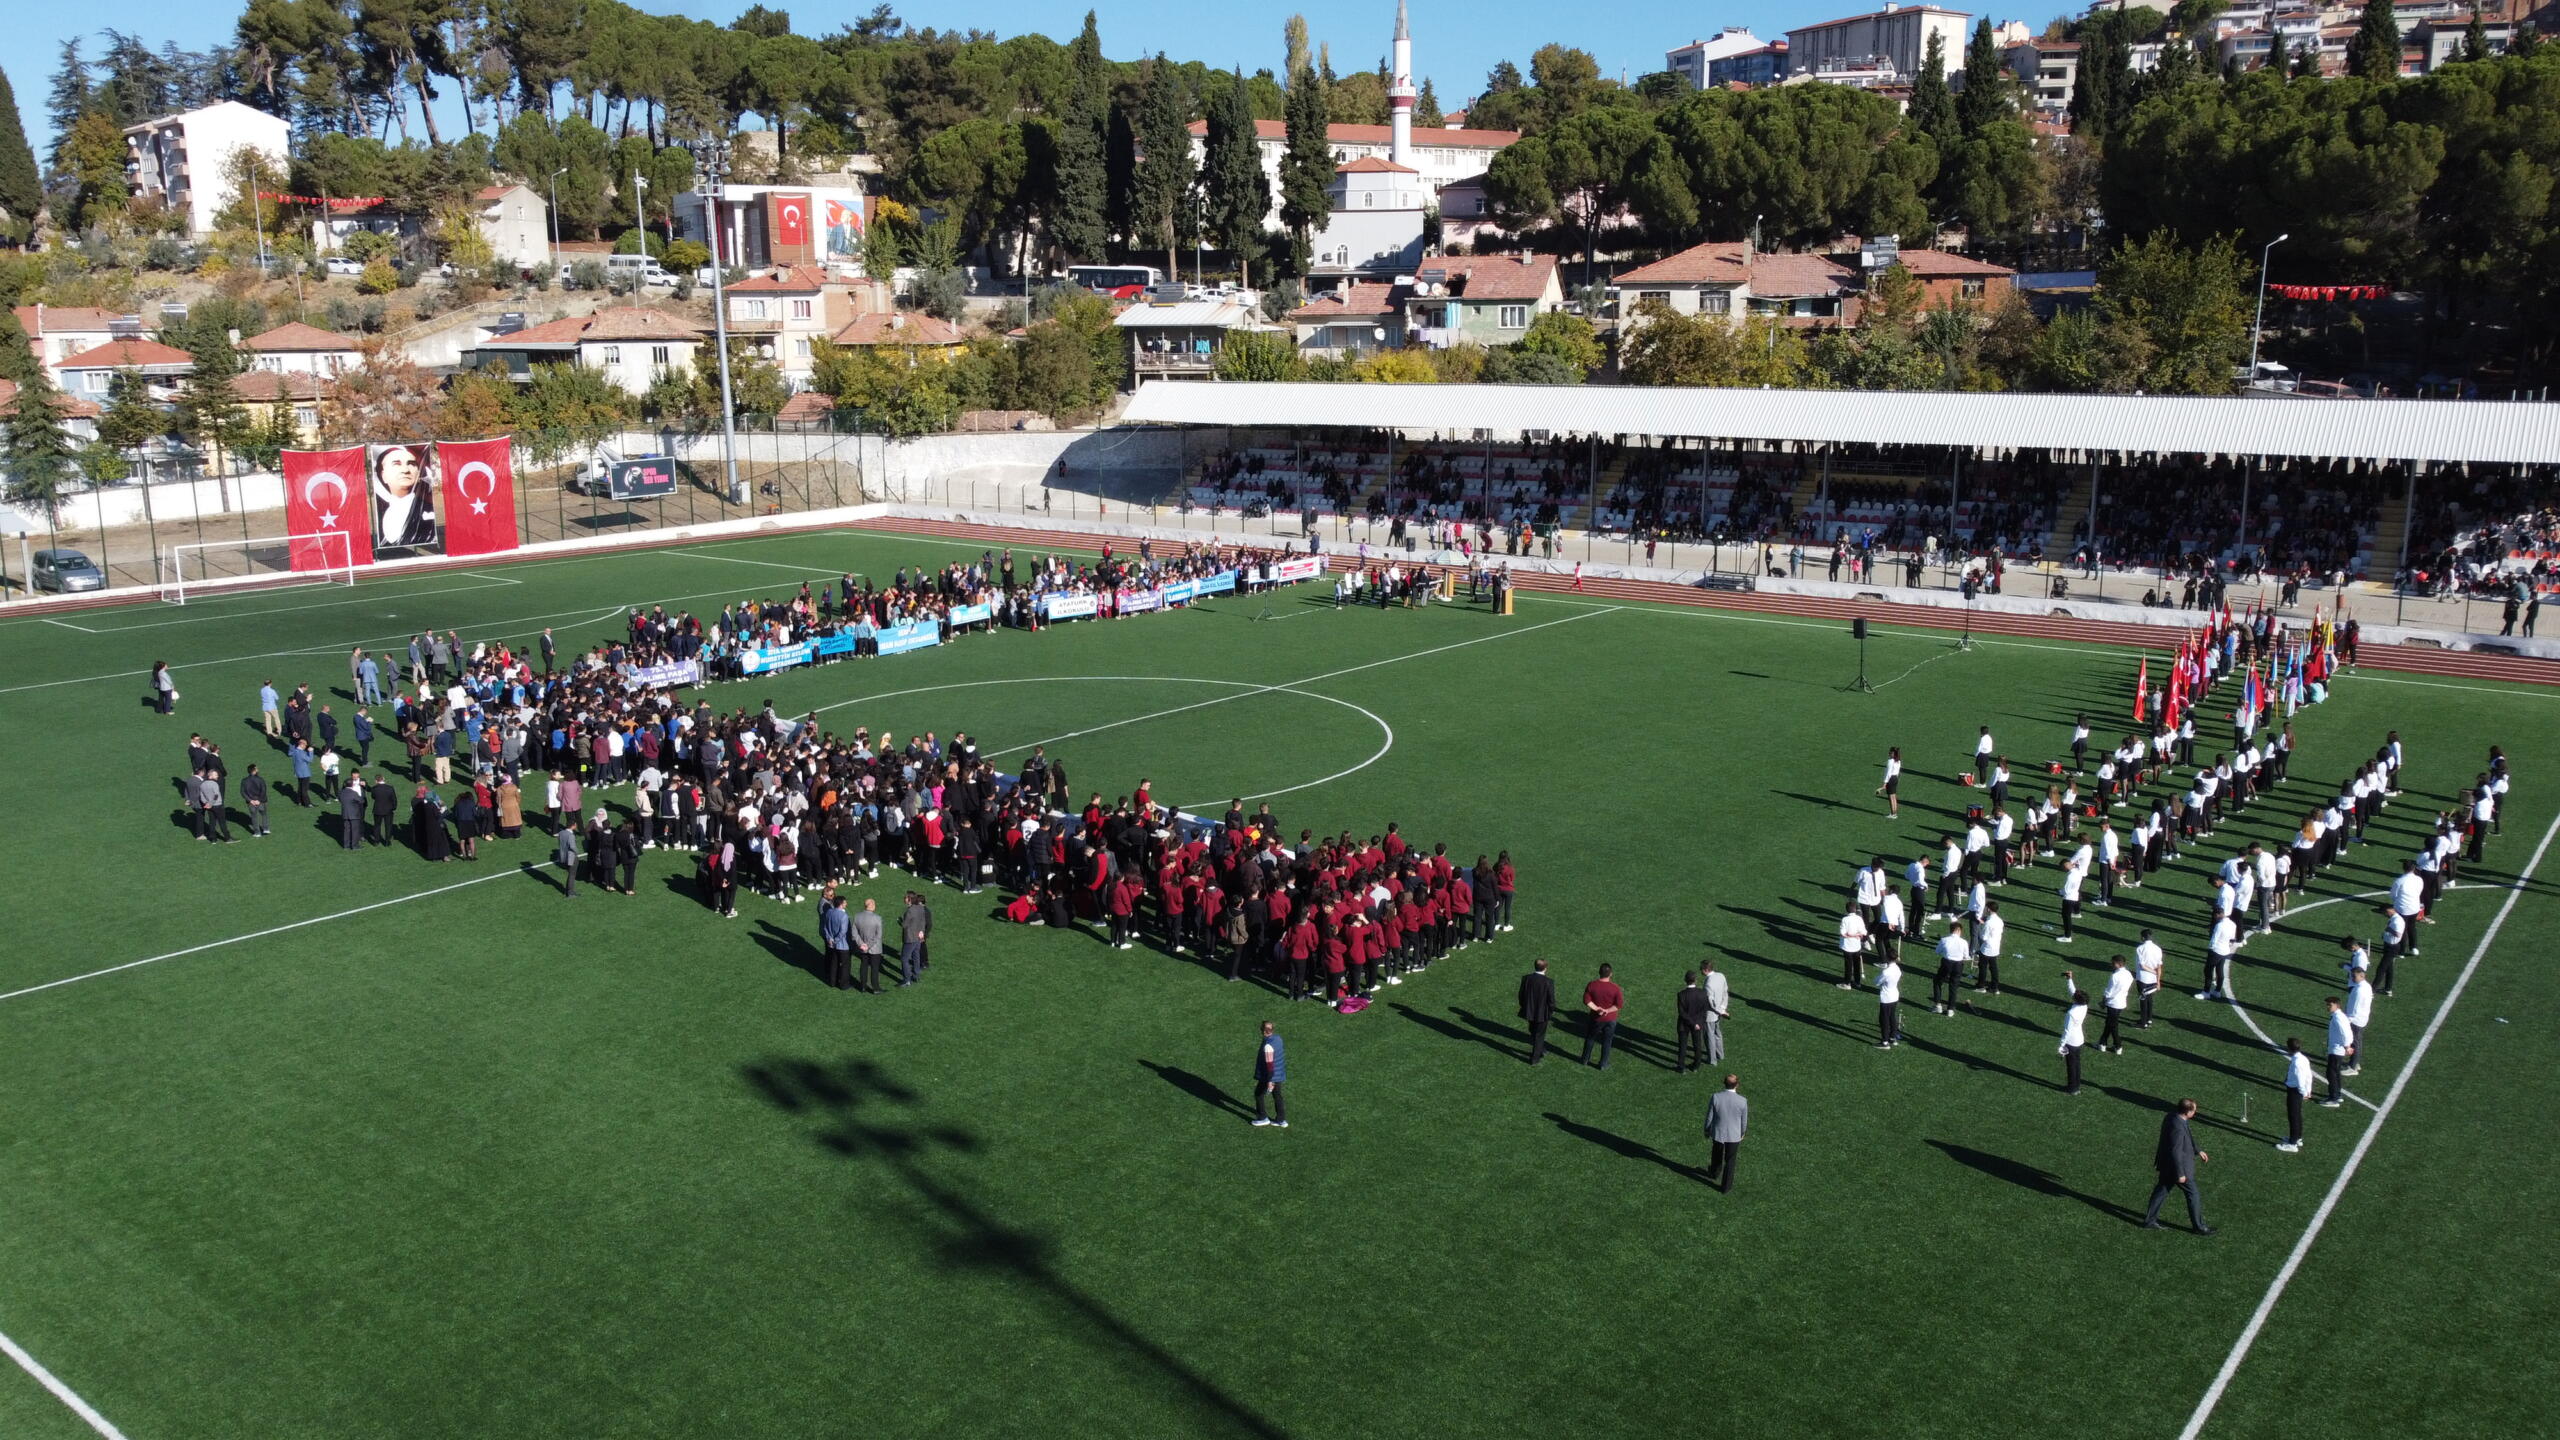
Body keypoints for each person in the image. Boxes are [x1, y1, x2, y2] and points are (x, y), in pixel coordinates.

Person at [2141, 1098, 2214, 1233]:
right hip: (2177, 1167)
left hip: (2167, 1165)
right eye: (2194, 1110)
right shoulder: (2178, 1127)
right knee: (2193, 1194)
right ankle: (2199, 1227)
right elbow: (2176, 1151)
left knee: (2161, 1190)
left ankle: (2149, 1220)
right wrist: (2180, 1174)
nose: (2195, 1112)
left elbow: (2188, 1136)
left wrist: (2198, 1150)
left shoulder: (2173, 1117)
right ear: (2187, 1112)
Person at [1703, 1074, 1748, 1194]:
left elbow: (1709, 1117)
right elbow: (1744, 1121)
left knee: (1716, 1154)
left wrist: (1707, 1130)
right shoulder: (1742, 1101)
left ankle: (1714, 1173)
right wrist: (1742, 1133)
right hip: (1734, 1135)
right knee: (1730, 1160)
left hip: (1718, 1133)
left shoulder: (1716, 1097)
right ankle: (1726, 1187)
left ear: (1724, 1083)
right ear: (1737, 1085)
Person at [1579, 963, 1623, 1069]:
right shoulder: (1615, 988)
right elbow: (1619, 1005)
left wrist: (1597, 1009)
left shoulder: (1592, 985)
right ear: (1611, 974)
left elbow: (1586, 1001)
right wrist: (1607, 1011)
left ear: (1599, 972)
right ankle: (1603, 1064)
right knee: (1607, 1041)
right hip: (1610, 1019)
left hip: (1596, 1018)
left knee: (1590, 1038)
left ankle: (1585, 1059)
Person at [1518, 958, 1557, 1065]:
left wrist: (1524, 1007)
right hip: (1542, 1014)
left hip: (1529, 1012)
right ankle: (1535, 1058)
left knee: (1533, 1030)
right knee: (1539, 1035)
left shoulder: (1526, 978)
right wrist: (1550, 1012)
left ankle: (1541, 1049)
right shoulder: (1548, 982)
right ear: (1545, 968)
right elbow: (1551, 1001)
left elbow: (1521, 995)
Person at [2279, 1037, 2313, 1153]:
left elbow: (2300, 1079)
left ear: (2289, 1048)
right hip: (2299, 1090)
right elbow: (2309, 1075)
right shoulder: (2303, 1059)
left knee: (2293, 1116)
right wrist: (2308, 1090)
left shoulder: (2296, 1062)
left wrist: (2304, 1092)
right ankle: (2297, 1137)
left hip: (2295, 1091)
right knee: (2297, 1115)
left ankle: (2292, 1143)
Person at [1251, 1021, 1288, 1128]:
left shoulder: (1268, 1046)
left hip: (1268, 1075)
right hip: (1279, 1073)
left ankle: (1262, 1117)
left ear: (1262, 1031)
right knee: (1277, 1096)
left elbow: (1270, 1065)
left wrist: (1270, 1081)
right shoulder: (1278, 1038)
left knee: (1258, 1094)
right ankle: (1281, 1120)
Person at [1675, 972, 1711, 1073]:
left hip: (1684, 1024)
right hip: (1698, 1024)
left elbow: (1682, 1013)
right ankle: (1696, 1065)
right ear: (1695, 980)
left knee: (1682, 1045)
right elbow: (1705, 1010)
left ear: (1685, 980)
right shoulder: (1703, 993)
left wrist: (1692, 1023)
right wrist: (1698, 1023)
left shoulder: (1681, 994)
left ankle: (1681, 1067)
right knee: (1697, 1045)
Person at [852, 897, 887, 994]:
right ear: (872, 906)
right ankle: (875, 988)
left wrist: (862, 944)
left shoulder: (857, 916)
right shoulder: (877, 918)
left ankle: (862, 987)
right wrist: (868, 945)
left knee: (863, 965)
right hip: (874, 948)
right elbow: (878, 936)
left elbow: (854, 933)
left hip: (862, 947)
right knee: (874, 968)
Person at [2321, 996, 2352, 1106]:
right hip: (2337, 1049)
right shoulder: (2340, 1016)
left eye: (2330, 1005)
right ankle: (2337, 1095)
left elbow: (2344, 1032)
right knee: (2336, 1073)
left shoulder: (2338, 1017)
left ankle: (2333, 1098)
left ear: (2336, 1005)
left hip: (2336, 1050)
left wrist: (2347, 1046)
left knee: (2331, 1074)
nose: (2328, 1007)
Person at [2100, 955, 2133, 1055]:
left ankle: (2118, 1046)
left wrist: (2103, 1001)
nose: (2112, 965)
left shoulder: (2115, 976)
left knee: (2112, 1026)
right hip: (2121, 1002)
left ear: (2118, 964)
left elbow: (2109, 992)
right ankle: (2102, 1043)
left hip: (2113, 1003)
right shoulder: (2129, 974)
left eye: (2113, 963)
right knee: (2109, 1023)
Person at [2060, 985, 2089, 1094]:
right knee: (2076, 1063)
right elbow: (2074, 993)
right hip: (2079, 1040)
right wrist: (2069, 980)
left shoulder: (2071, 1013)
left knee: (2071, 1065)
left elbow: (2067, 1031)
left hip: (2071, 1042)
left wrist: (2061, 1045)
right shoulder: (2084, 1006)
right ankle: (2076, 1085)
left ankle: (2072, 1088)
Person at [820, 895, 853, 990]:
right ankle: (844, 984)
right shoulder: (844, 916)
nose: (846, 904)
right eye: (845, 902)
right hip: (842, 946)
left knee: (834, 964)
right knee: (845, 966)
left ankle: (832, 982)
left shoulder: (829, 912)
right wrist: (836, 941)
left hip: (831, 945)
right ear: (841, 904)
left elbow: (825, 927)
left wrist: (830, 939)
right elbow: (843, 931)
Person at [899, 891, 932, 987]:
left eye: (905, 897)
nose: (904, 898)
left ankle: (906, 979)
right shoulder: (920, 908)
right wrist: (921, 932)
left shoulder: (909, 911)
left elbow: (905, 925)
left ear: (909, 899)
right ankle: (916, 975)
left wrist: (900, 922)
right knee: (916, 955)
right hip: (918, 937)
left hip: (910, 938)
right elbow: (923, 922)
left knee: (904, 958)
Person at [1701, 960, 1730, 1064]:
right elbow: (1725, 993)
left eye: (1701, 969)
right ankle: (1720, 1054)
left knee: (1709, 1037)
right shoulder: (1721, 976)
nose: (1700, 971)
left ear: (1706, 970)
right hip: (1720, 1012)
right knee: (1718, 1033)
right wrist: (1723, 1009)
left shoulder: (1708, 984)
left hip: (1710, 1015)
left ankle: (1712, 1060)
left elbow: (1711, 1003)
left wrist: (1719, 1011)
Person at [1872, 951, 1903, 1050]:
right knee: (1892, 1017)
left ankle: (1885, 1042)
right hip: (1895, 995)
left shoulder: (1886, 971)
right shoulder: (1897, 969)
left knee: (1884, 1019)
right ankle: (1892, 1038)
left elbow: (1877, 982)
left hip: (1886, 997)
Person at [241, 764, 270, 838]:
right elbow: (263, 791)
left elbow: (243, 792)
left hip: (251, 802)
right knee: (264, 814)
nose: (258, 770)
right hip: (261, 801)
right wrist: (259, 800)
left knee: (254, 817)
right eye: (256, 769)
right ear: (254, 770)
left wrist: (250, 800)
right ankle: (266, 829)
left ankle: (257, 833)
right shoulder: (260, 779)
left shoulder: (244, 781)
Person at [555, 823, 582, 896]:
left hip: (563, 856)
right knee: (572, 875)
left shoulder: (561, 832)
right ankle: (570, 892)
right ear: (572, 825)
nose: (576, 826)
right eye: (575, 824)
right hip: (571, 857)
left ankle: (568, 890)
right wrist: (577, 852)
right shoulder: (571, 835)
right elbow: (572, 846)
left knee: (570, 874)